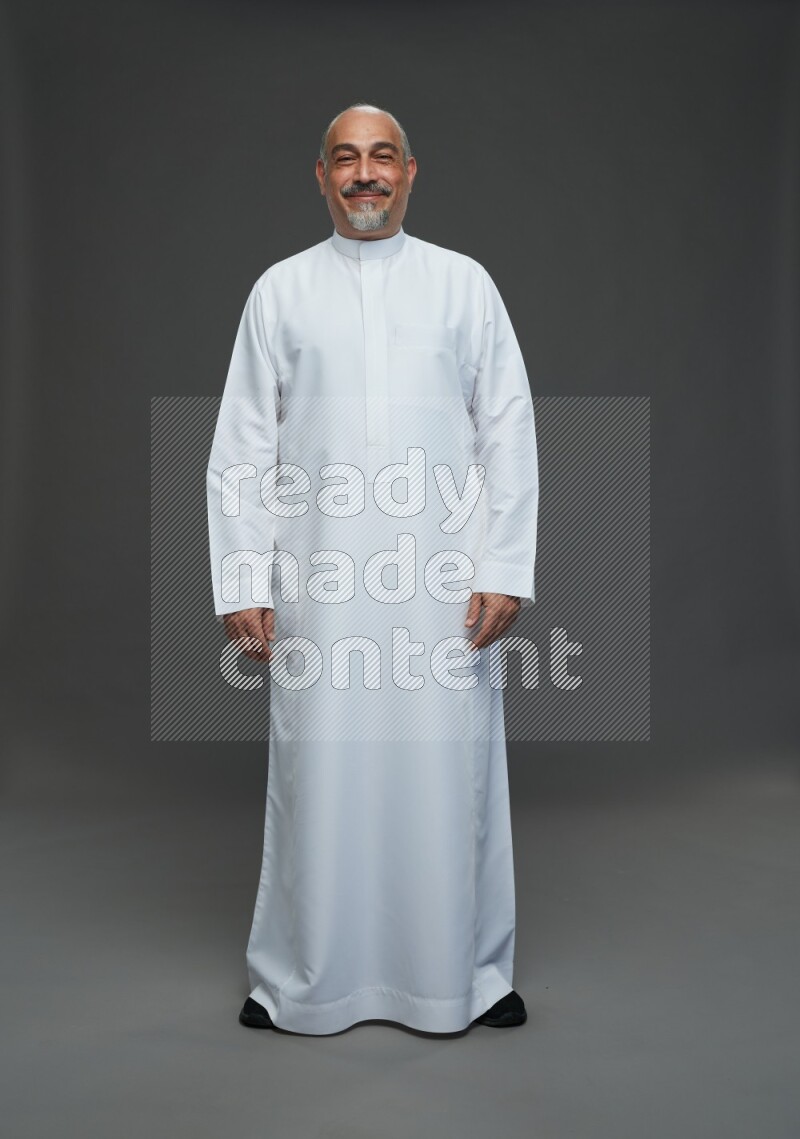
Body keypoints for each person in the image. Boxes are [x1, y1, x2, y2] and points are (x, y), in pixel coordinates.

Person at [206, 102, 539, 1035]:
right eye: (345, 159)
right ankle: (297, 977)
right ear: (319, 176)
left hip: (440, 587)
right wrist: (243, 578)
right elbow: (241, 445)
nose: (364, 174)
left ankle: (469, 975)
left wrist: (505, 563)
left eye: (381, 157)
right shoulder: (280, 293)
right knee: (319, 774)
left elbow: (508, 429)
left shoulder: (464, 286)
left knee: (452, 773)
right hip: (317, 585)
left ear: (410, 172)